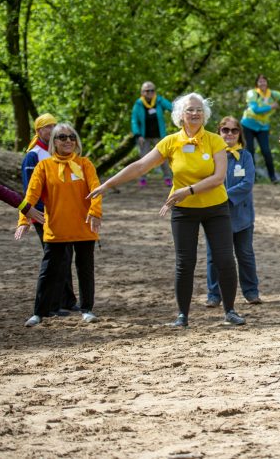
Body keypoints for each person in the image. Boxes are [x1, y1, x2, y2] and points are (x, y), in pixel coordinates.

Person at [88, 93, 245, 328]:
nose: (195, 113)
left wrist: (188, 190)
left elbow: (218, 178)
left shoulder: (215, 140)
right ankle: (182, 315)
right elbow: (140, 166)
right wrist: (107, 184)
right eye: (190, 110)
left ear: (205, 114)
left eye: (199, 110)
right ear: (180, 115)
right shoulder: (170, 142)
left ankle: (230, 310)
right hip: (183, 210)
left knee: (224, 259)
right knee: (185, 262)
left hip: (215, 208)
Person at [15, 124, 102, 327]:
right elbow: (31, 195)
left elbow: (96, 190)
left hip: (84, 227)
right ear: (54, 141)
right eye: (62, 137)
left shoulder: (85, 164)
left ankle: (87, 309)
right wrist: (23, 220)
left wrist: (95, 212)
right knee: (49, 271)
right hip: (56, 227)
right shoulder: (44, 166)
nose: (68, 141)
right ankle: (39, 312)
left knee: (85, 269)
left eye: (72, 137)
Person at [21, 112, 77, 314]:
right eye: (48, 127)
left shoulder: (57, 152)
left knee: (66, 256)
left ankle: (67, 301)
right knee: (55, 257)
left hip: (62, 213)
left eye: (55, 125)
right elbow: (31, 188)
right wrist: (36, 213)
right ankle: (51, 304)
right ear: (39, 131)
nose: (53, 129)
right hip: (43, 215)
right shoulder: (34, 154)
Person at [204, 117, 262, 307]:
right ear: (218, 132)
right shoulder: (210, 155)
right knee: (214, 255)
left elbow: (247, 183)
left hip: (243, 216)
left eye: (234, 130)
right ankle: (214, 294)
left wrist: (223, 196)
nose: (229, 134)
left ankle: (251, 292)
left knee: (245, 254)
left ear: (239, 134)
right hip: (215, 215)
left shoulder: (245, 156)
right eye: (225, 130)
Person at [130, 81, 173, 188]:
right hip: (144, 137)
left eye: (152, 90)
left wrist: (183, 112)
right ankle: (143, 179)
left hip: (159, 135)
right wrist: (137, 135)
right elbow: (134, 121)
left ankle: (168, 178)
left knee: (163, 157)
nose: (149, 92)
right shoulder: (138, 104)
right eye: (147, 90)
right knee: (144, 158)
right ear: (142, 92)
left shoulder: (159, 101)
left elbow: (171, 107)